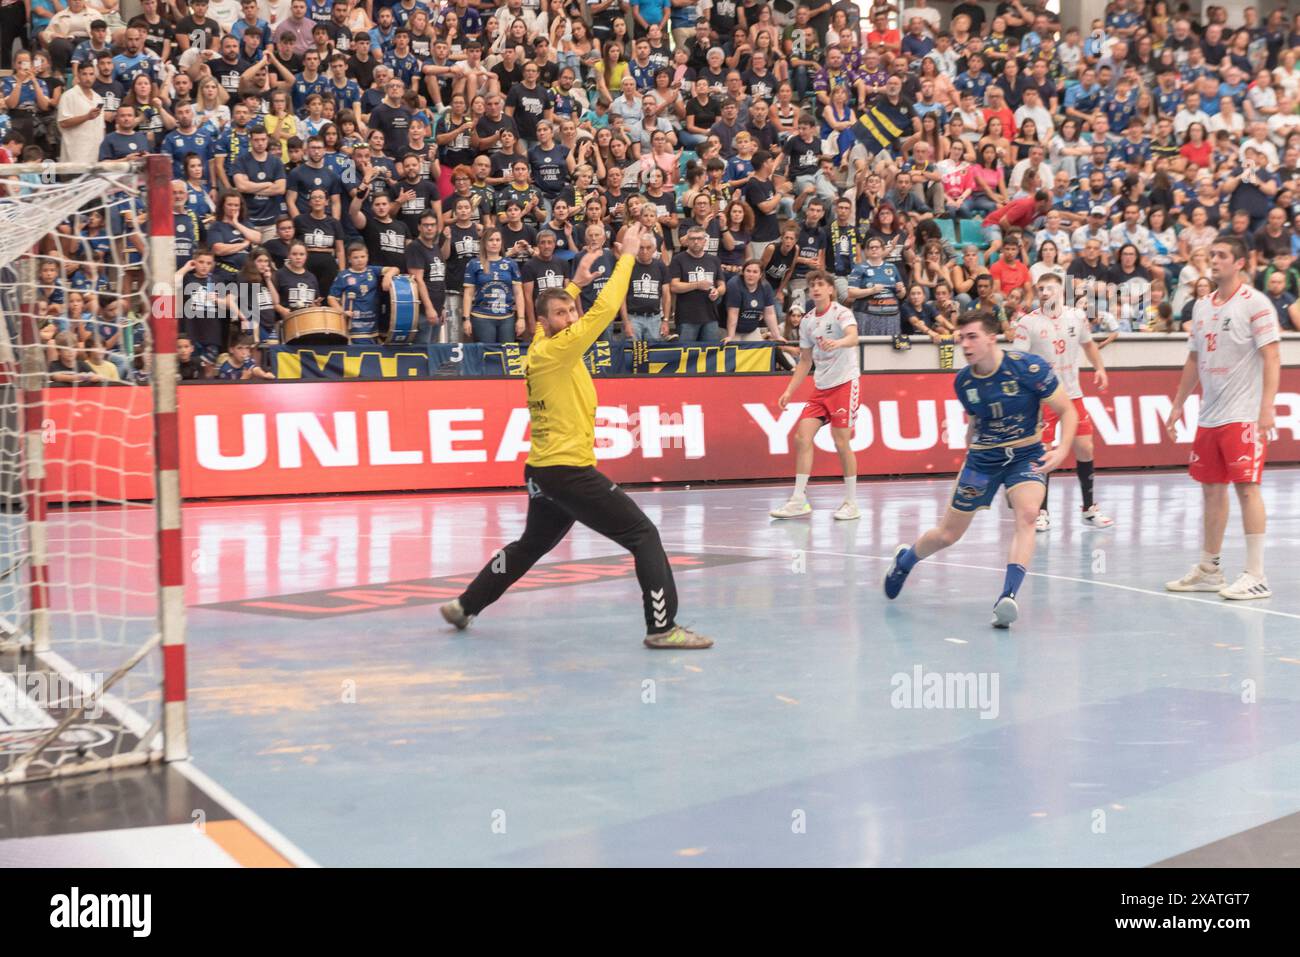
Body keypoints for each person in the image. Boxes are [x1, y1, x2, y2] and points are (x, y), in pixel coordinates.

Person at [440, 221, 711, 650]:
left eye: (572, 312)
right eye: (561, 314)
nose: (571, 318)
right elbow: (605, 311)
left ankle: (465, 605)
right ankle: (662, 627)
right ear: (546, 324)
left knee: (530, 545)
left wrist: (575, 284)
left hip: (544, 471)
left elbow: (567, 309)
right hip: (568, 470)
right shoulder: (560, 347)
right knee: (644, 536)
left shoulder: (539, 347)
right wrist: (625, 255)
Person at [883, 311, 1078, 629]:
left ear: (992, 337)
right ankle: (905, 561)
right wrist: (969, 438)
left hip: (1026, 454)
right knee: (948, 535)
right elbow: (975, 419)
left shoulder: (1028, 368)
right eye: (962, 338)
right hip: (983, 459)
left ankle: (1008, 597)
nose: (966, 344)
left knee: (1028, 515)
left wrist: (1063, 448)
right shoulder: (964, 381)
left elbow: (1066, 409)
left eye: (972, 336)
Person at [1165, 237, 1281, 600]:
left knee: (1248, 489)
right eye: (1211, 255)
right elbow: (1193, 360)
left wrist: (1267, 407)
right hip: (1210, 415)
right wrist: (1178, 403)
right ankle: (1210, 568)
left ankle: (1257, 574)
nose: (1213, 261)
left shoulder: (1256, 304)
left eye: (1221, 256)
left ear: (1240, 263)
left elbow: (1273, 356)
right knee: (1211, 491)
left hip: (1243, 414)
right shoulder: (1200, 306)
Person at [1013, 274, 1115, 531]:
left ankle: (1088, 509)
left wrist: (1099, 369)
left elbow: (1089, 345)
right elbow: (1017, 361)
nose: (1044, 292)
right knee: (1045, 453)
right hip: (1043, 397)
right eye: (1040, 289)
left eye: (1049, 288)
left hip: (1072, 395)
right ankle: (1041, 512)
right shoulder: (1028, 322)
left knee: (1085, 447)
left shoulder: (1077, 316)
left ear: (1060, 291)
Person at [769, 270, 861, 522]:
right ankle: (799, 500)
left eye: (821, 285)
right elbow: (805, 360)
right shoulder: (808, 321)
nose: (816, 289)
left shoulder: (842, 313)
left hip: (844, 383)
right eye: (812, 286)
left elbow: (853, 337)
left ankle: (851, 502)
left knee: (841, 442)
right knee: (802, 437)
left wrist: (839, 343)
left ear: (830, 289)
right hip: (821, 388)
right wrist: (789, 390)